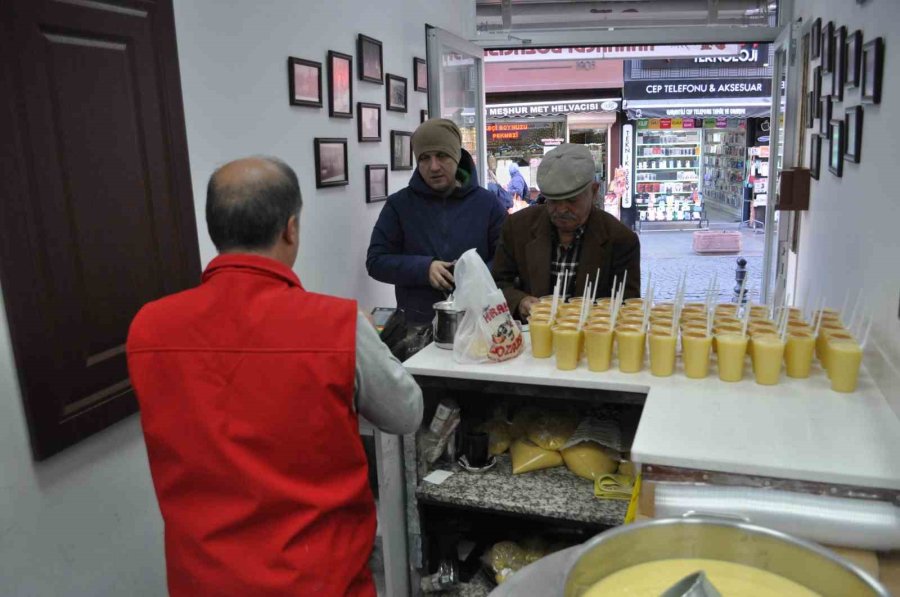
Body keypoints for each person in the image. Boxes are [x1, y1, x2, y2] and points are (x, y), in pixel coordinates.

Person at [126, 157, 423, 597]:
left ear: (215, 229)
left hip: (204, 579)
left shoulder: (149, 328)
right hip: (320, 578)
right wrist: (363, 341)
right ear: (291, 229)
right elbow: (406, 412)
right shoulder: (337, 325)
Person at [367, 118, 507, 325]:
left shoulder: (488, 204)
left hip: (480, 322)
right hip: (418, 327)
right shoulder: (399, 205)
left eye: (442, 155)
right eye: (424, 158)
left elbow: (507, 260)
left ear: (457, 156)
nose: (433, 166)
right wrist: (424, 268)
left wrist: (474, 274)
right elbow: (376, 261)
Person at [492, 144, 641, 321]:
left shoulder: (621, 240)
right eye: (553, 201)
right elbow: (497, 285)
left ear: (594, 192)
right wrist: (519, 301)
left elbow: (627, 306)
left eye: (572, 200)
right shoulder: (517, 228)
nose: (562, 209)